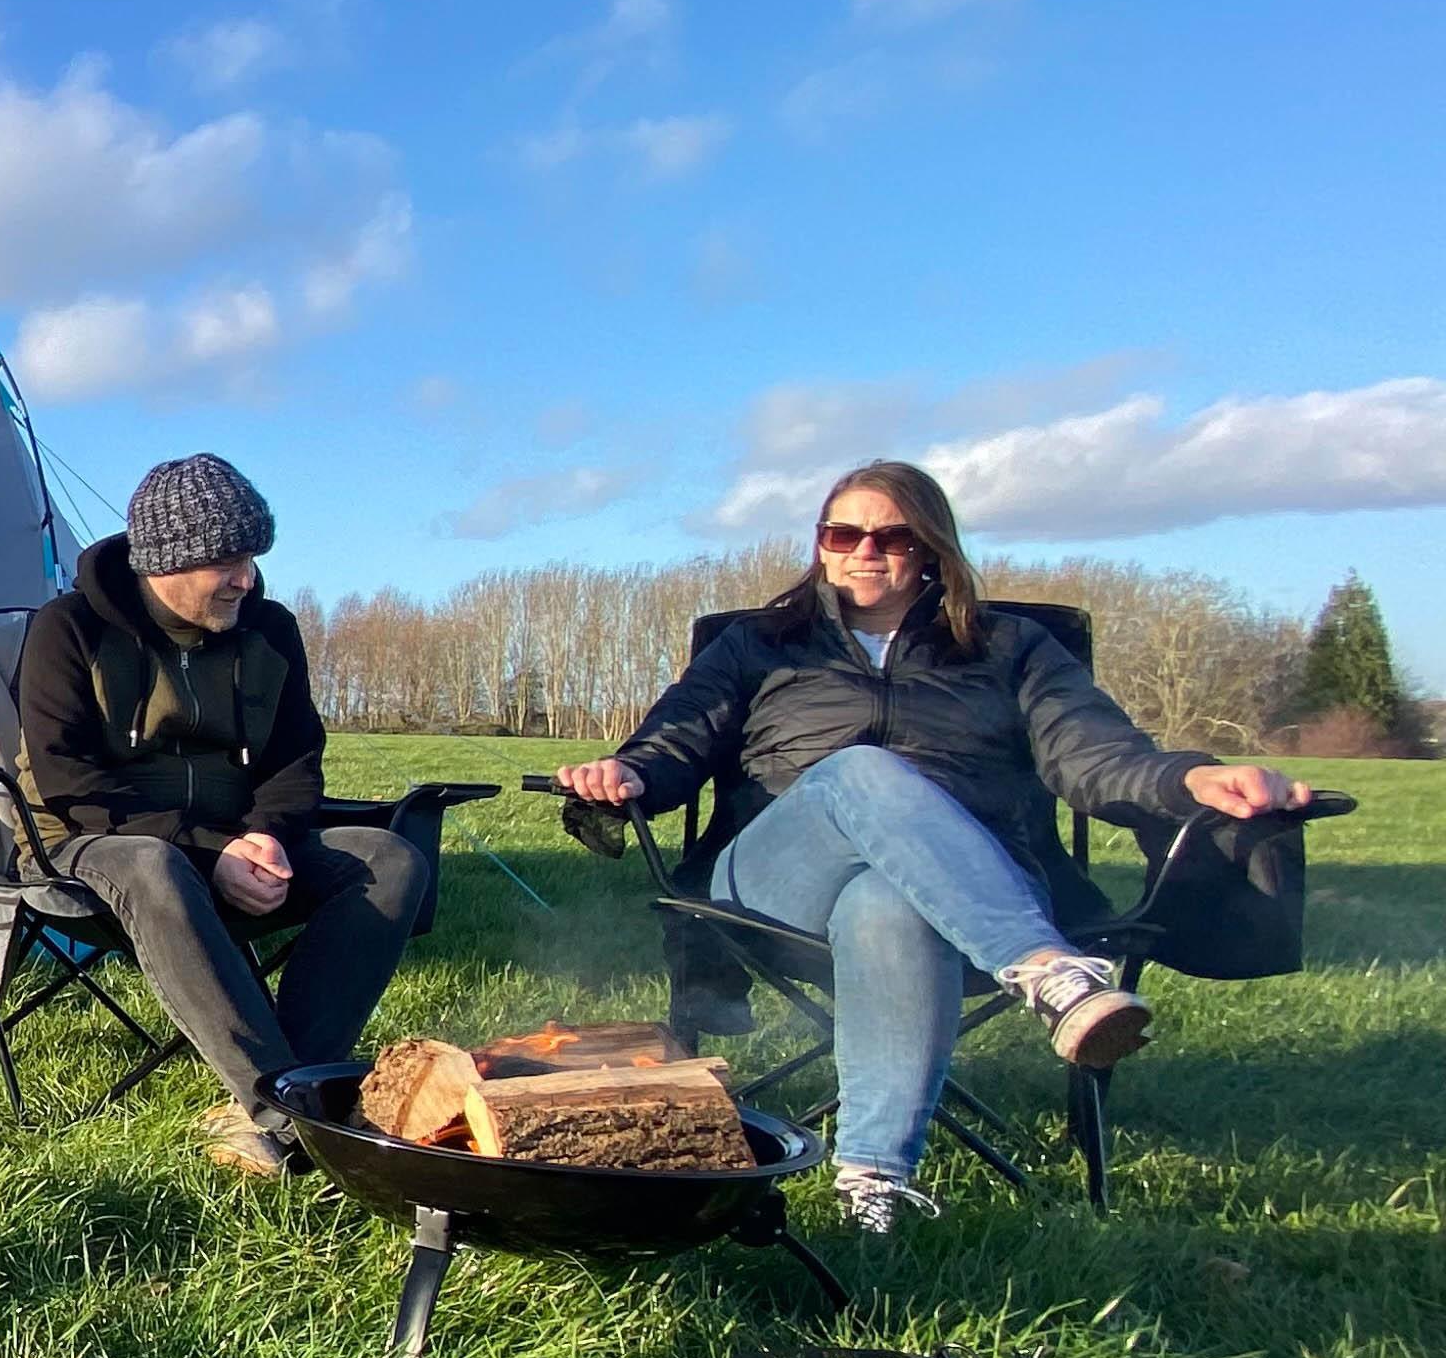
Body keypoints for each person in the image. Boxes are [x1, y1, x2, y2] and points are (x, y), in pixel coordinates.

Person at [557, 460, 1307, 1234]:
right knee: (861, 771)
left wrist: (1194, 781)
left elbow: (1095, 755)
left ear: (931, 549)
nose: (864, 551)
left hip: (958, 897)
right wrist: (625, 772)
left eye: (891, 535)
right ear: (821, 544)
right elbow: (676, 739)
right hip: (773, 891)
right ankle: (1047, 971)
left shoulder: (1011, 647)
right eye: (843, 532)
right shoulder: (759, 646)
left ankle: (874, 1182)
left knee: (890, 900)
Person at [16, 453, 430, 1177]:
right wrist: (213, 855)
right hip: (87, 841)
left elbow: (298, 760)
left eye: (252, 558)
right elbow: (70, 782)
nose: (247, 578)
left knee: (389, 858)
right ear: (165, 563)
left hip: (239, 841)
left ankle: (282, 1091)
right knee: (155, 864)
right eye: (228, 562)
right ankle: (286, 1112)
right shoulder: (69, 628)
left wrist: (264, 836)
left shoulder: (270, 631)